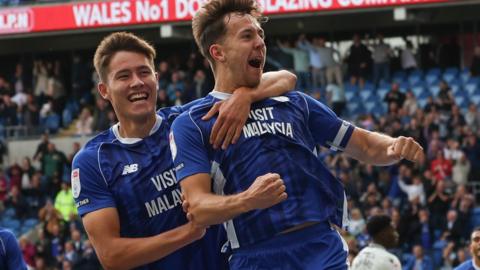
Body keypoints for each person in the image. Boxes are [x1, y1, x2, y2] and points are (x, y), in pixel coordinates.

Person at [170, 1, 424, 269]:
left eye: (260, 35)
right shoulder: (194, 122)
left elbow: (365, 144)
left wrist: (393, 146)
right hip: (254, 255)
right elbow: (198, 209)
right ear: (218, 52)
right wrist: (248, 200)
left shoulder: (294, 103)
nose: (260, 43)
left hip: (321, 247)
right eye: (247, 36)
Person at [71, 31, 296, 270]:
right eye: (124, 76)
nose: (137, 82)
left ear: (156, 79)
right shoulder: (92, 161)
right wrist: (189, 232)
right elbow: (111, 255)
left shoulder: (189, 122)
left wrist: (245, 95)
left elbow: (286, 78)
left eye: (144, 72)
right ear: (104, 90)